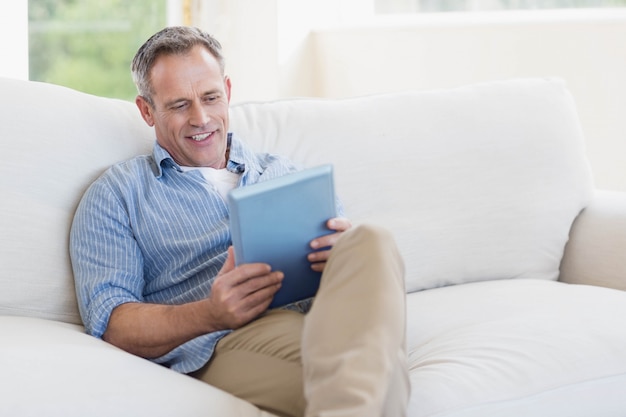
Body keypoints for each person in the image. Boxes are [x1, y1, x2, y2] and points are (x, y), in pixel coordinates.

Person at [70, 26, 409, 417]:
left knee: (371, 239)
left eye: (211, 98)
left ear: (228, 91)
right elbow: (113, 322)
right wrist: (210, 313)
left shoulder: (286, 173)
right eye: (180, 105)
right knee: (383, 377)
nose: (201, 118)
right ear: (147, 110)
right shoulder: (118, 194)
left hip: (326, 314)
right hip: (224, 339)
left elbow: (363, 279)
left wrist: (341, 253)